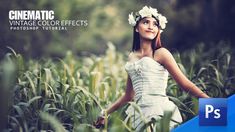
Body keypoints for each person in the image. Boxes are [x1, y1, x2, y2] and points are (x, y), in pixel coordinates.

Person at [94, 6, 209, 131]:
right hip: (139, 116)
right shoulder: (132, 57)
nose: (150, 26)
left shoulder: (161, 53)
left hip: (161, 113)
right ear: (137, 28)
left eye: (155, 24)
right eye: (145, 22)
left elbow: (184, 84)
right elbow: (129, 95)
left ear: (158, 30)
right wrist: (105, 112)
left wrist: (211, 102)